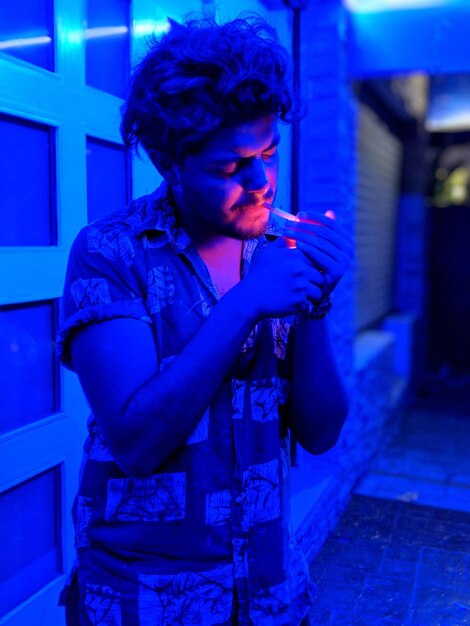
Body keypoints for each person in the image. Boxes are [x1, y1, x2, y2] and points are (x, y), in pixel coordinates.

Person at [57, 13, 352, 626]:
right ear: (170, 162)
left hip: (270, 591)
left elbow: (321, 434)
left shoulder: (280, 248)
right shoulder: (112, 252)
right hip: (145, 602)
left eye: (269, 152)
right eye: (230, 167)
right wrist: (246, 302)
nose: (262, 181)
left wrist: (314, 298)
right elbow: (137, 442)